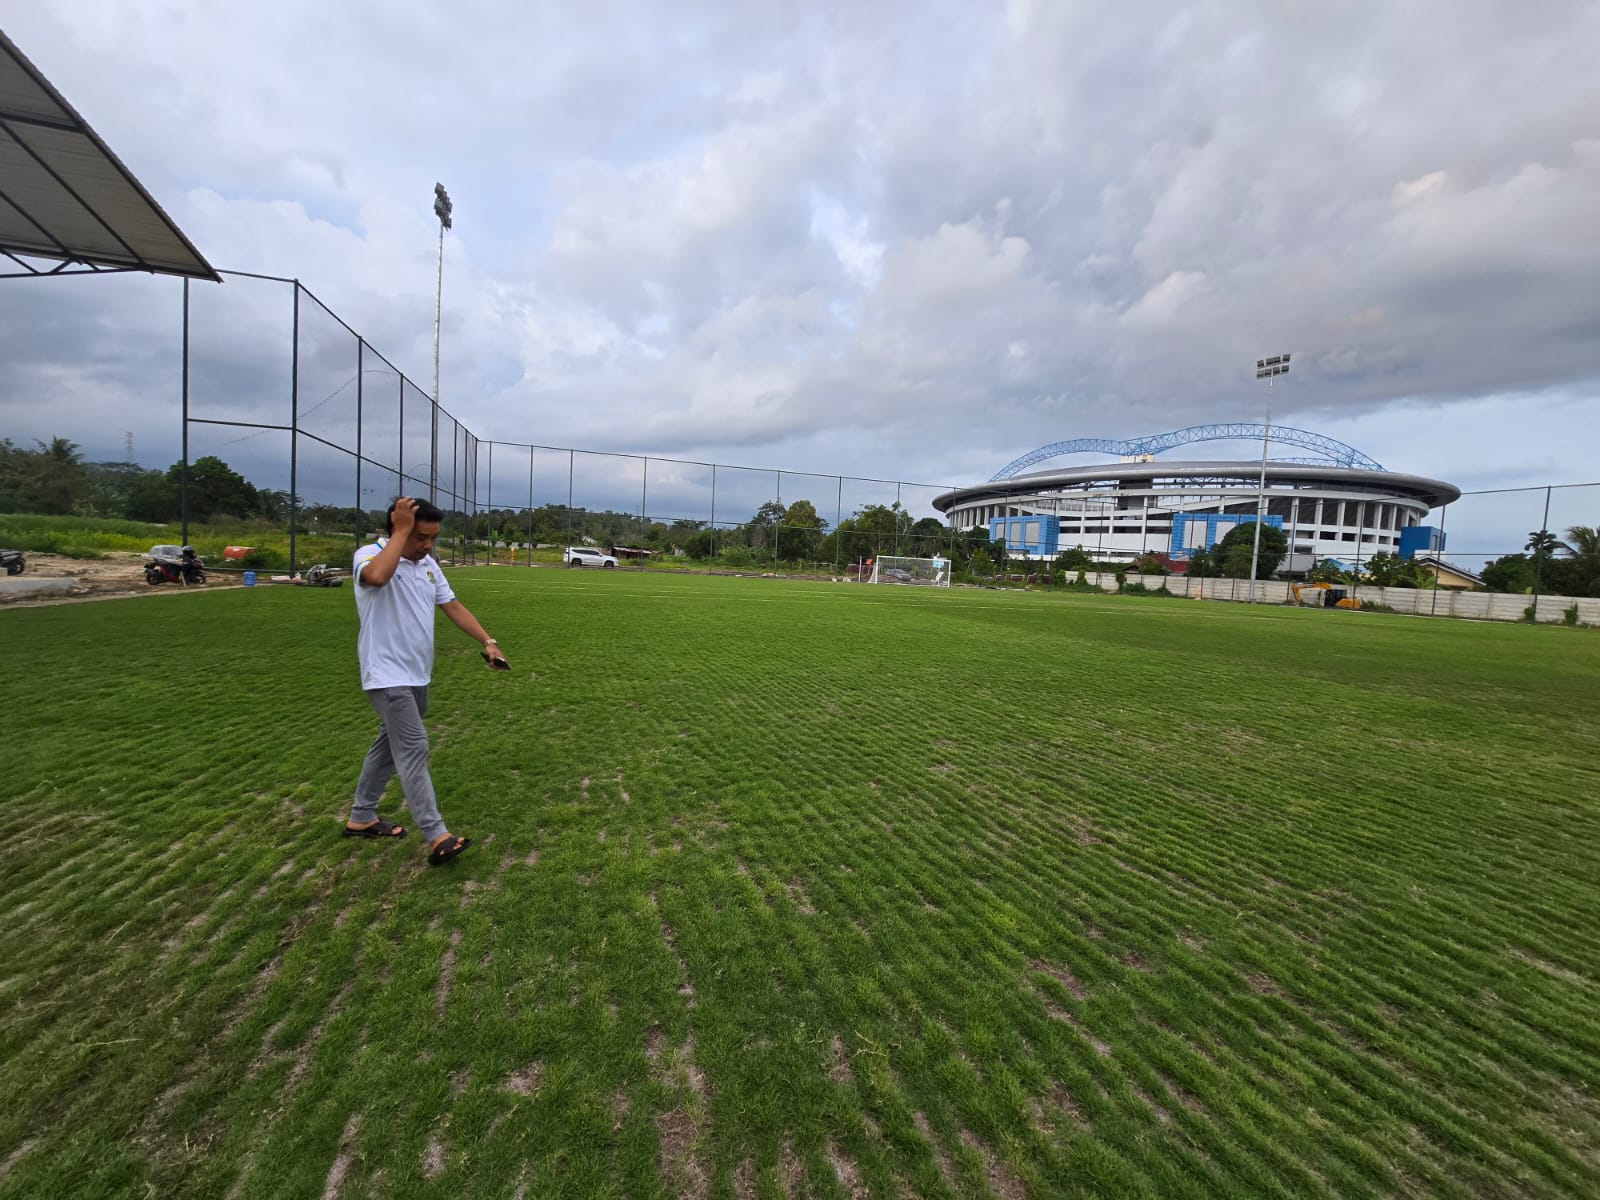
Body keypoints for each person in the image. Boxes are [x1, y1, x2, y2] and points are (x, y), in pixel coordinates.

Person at [343, 496, 507, 865]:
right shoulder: (370, 556)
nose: (428, 545)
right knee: (413, 747)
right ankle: (437, 835)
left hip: (416, 675)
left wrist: (488, 642)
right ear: (397, 528)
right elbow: (376, 578)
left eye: (433, 537)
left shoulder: (428, 565)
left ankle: (361, 816)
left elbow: (452, 605)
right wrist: (402, 533)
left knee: (388, 745)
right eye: (421, 537)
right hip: (386, 675)